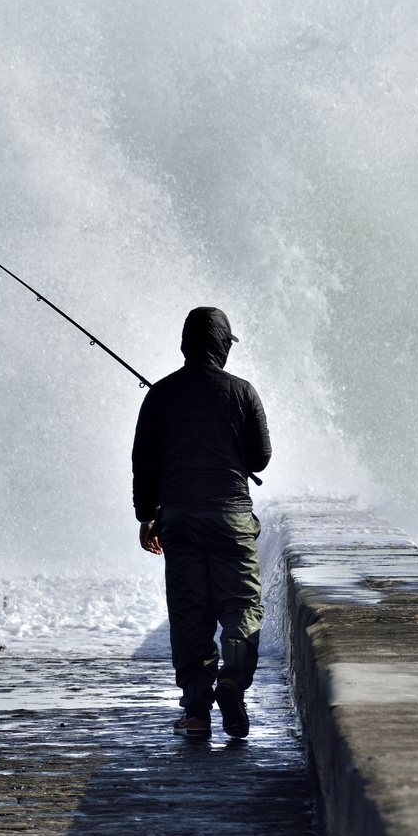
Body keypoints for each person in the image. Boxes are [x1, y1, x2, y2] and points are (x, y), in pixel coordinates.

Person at [132, 307, 271, 740]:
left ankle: (196, 713)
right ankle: (231, 682)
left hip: (180, 520)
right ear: (222, 347)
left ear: (185, 345)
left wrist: (146, 516)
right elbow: (261, 457)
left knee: (191, 614)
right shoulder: (243, 392)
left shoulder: (161, 394)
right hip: (231, 518)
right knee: (242, 607)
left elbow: (144, 462)